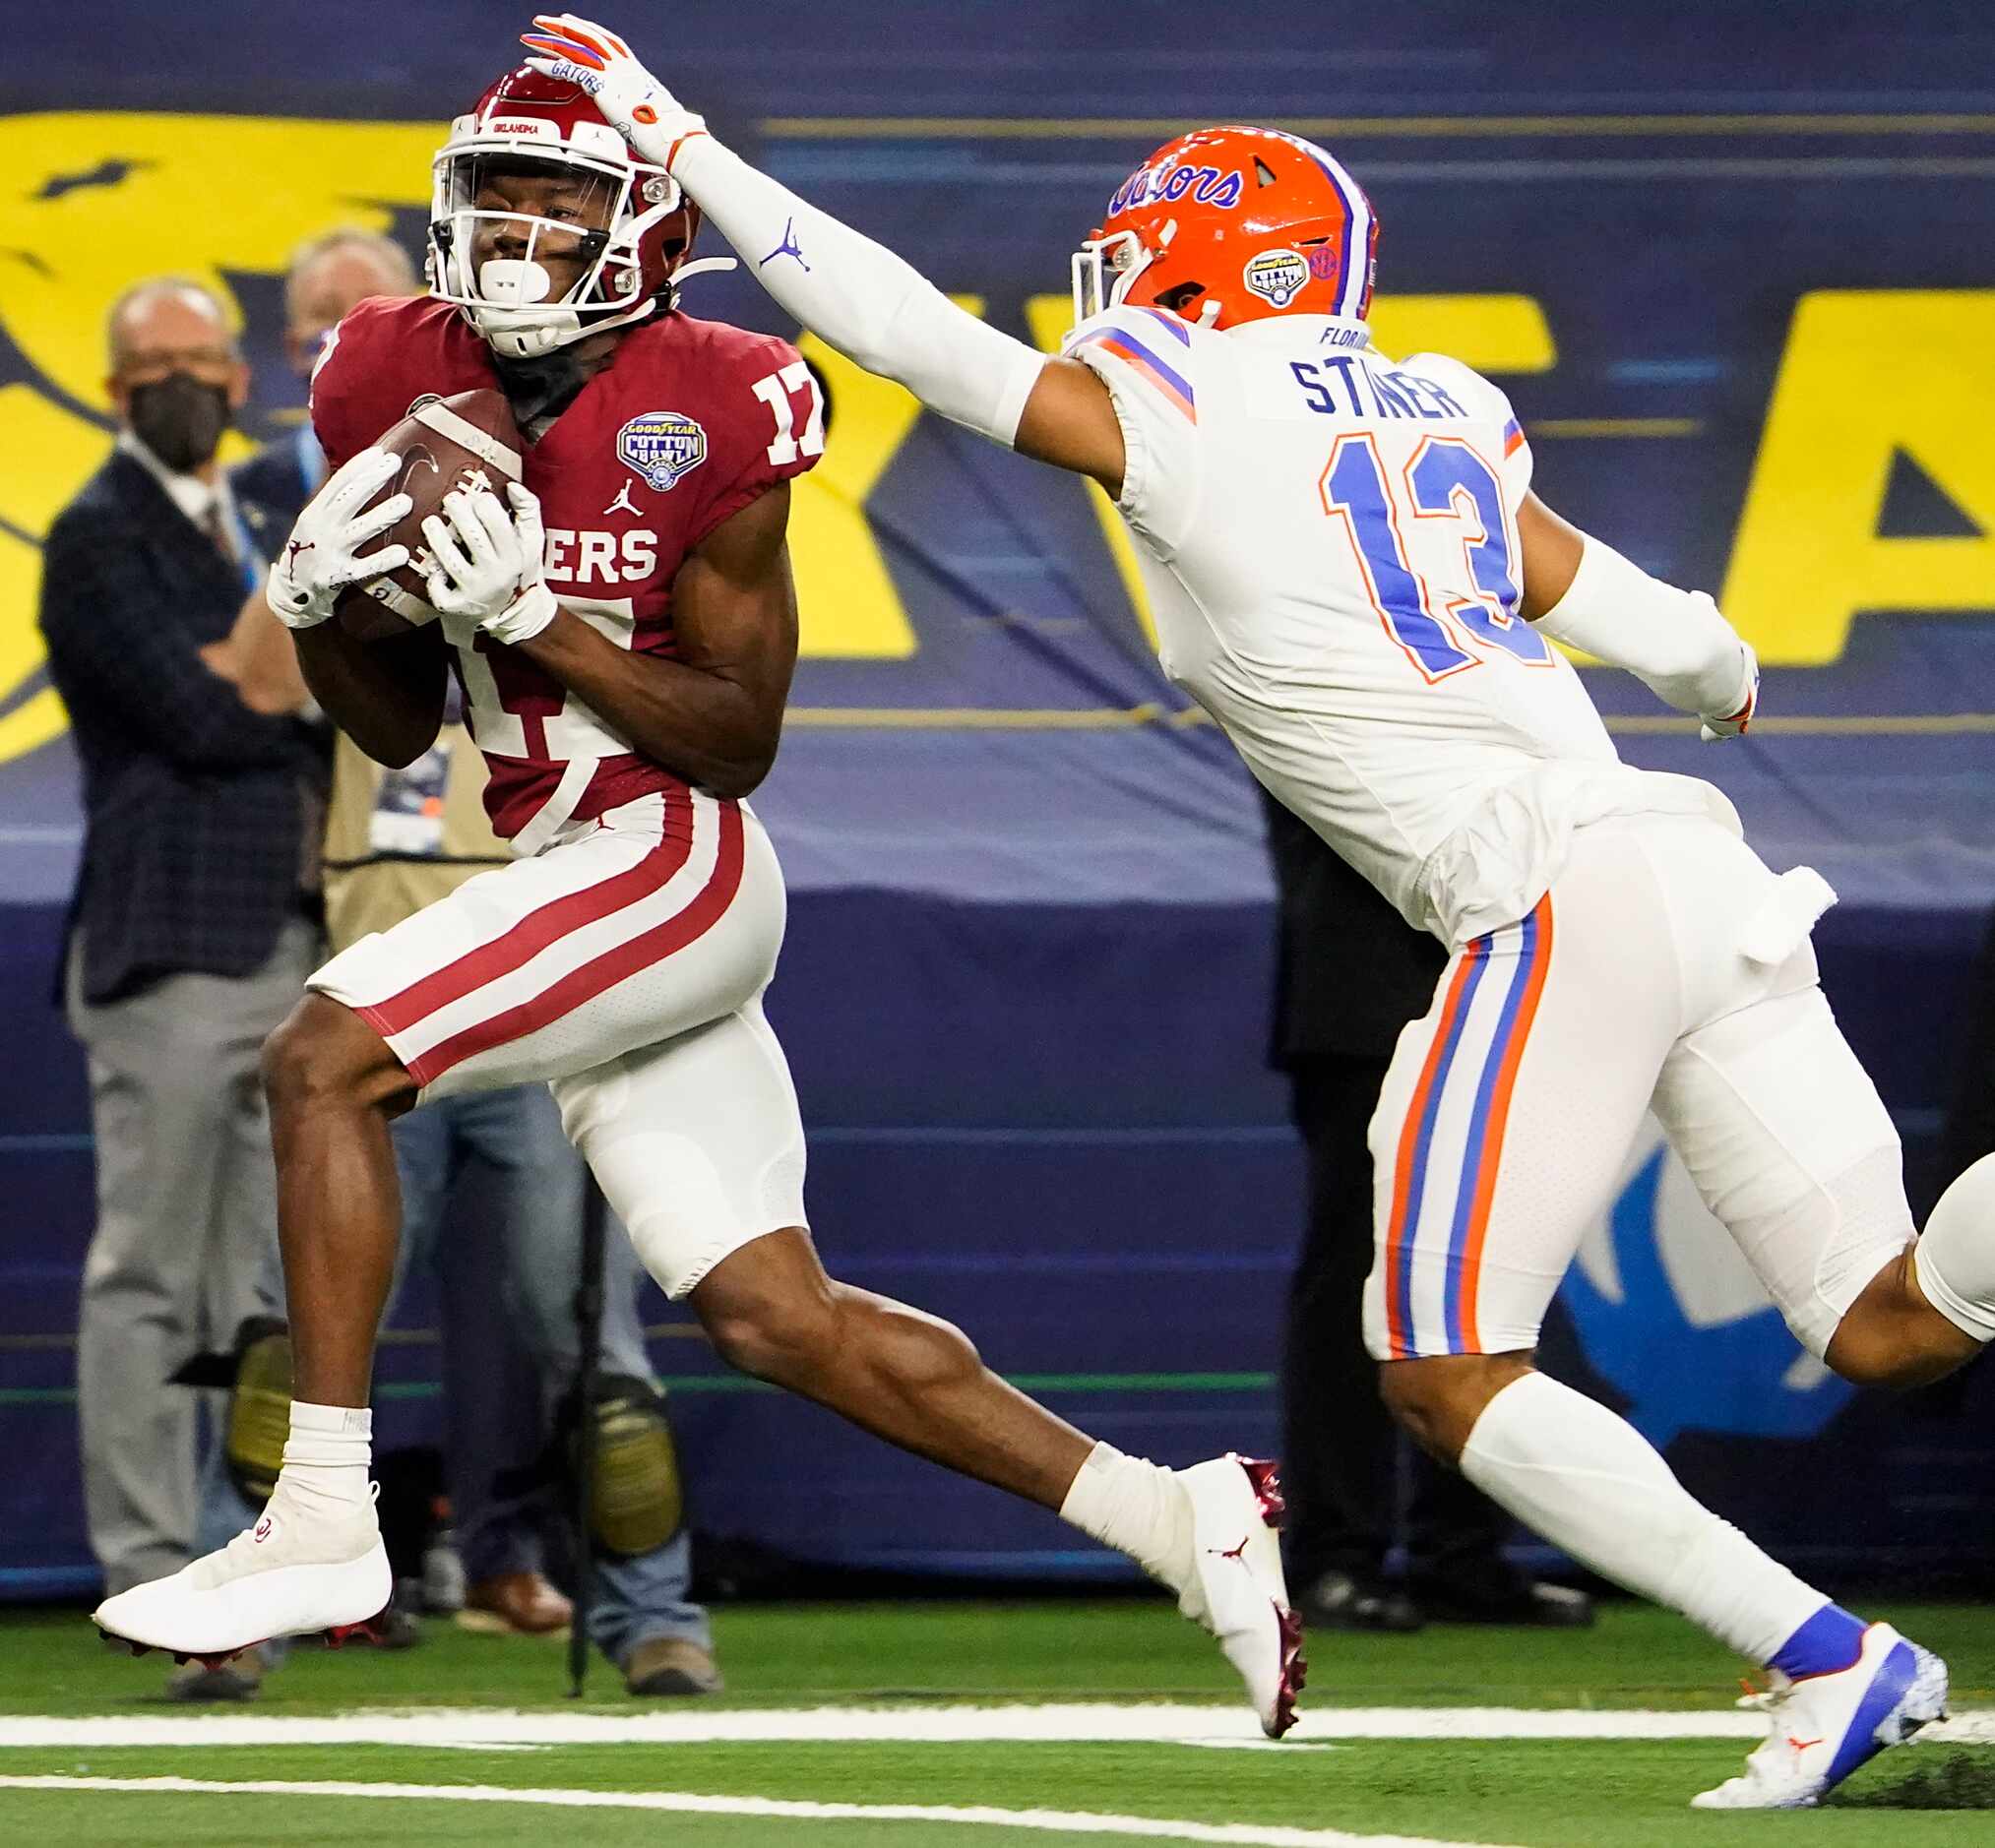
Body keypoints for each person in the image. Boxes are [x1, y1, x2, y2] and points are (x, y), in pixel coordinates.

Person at [493, 16, 1995, 1807]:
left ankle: (1827, 1658)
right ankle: (1836, 1660)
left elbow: (896, 326)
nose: (1115, 283)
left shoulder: (1185, 402)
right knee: (1890, 1319)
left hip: (1541, 888)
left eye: (1143, 252)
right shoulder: (1447, 403)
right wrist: (1724, 673)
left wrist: (697, 152)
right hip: (1694, 862)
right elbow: (1669, 628)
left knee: (1439, 1364)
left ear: (1214, 258)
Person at [94, 57, 1301, 1740]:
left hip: (668, 853)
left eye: (561, 194)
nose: (519, 225)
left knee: (321, 1059)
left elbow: (735, 741)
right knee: (770, 1313)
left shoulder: (720, 392)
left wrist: (541, 620)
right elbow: (395, 721)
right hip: (555, 854)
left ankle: (325, 1515)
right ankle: (1176, 1514)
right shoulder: (387, 366)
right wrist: (317, 609)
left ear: (642, 217)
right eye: (496, 190)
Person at [219, 222, 720, 1694]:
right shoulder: (299, 493)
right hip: (374, 946)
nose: (338, 354)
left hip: (541, 950)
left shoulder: (588, 485)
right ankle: (241, 1608)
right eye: (316, 333)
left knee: (592, 1345)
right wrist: (347, 514)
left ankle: (653, 1614)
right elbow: (265, 683)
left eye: (357, 326)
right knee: (286, 1328)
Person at [38, 277, 322, 1700]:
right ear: (111, 386)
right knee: (152, 1274)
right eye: (147, 364)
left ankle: (235, 1569)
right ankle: (150, 1572)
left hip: (297, 935)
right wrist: (276, 675)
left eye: (198, 361)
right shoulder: (94, 537)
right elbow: (207, 713)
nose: (177, 384)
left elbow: (313, 689)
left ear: (233, 376)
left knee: (256, 1286)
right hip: (168, 943)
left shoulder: (261, 519)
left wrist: (265, 672)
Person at [1264, 791, 1590, 1632]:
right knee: (1355, 1284)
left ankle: (1462, 1553)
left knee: (1494, 1274)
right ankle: (1333, 1555)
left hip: (1499, 995)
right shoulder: (1306, 670)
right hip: (1369, 997)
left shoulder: (1500, 673)